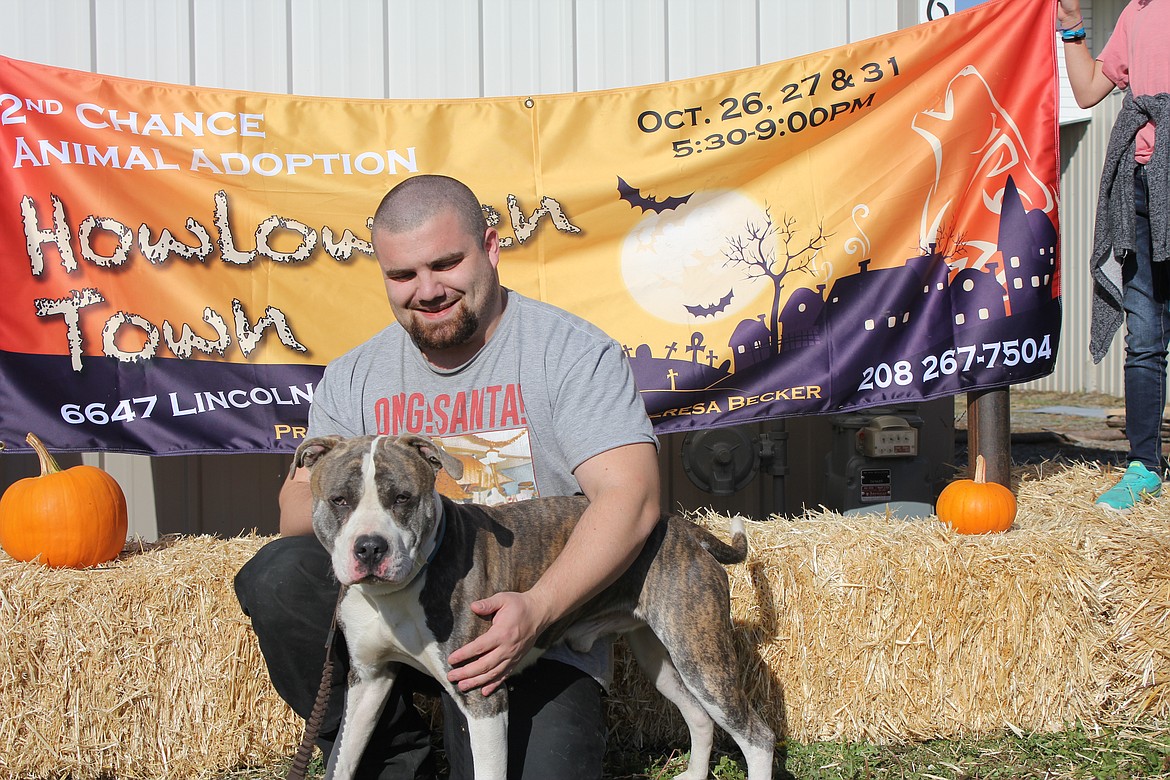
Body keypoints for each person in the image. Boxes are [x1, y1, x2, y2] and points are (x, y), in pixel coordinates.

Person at [234, 174, 661, 779]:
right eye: (402, 275)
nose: (427, 290)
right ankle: (395, 758)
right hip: (397, 615)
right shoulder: (356, 376)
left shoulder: (569, 353)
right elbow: (293, 514)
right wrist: (358, 492)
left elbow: (632, 499)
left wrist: (538, 610)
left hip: (527, 635)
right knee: (278, 575)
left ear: (490, 248)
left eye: (446, 263)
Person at [1059, 0, 1168, 511]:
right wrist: (1072, 27)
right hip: (1141, 183)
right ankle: (1145, 466)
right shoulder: (1136, 11)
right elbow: (1087, 91)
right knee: (1143, 333)